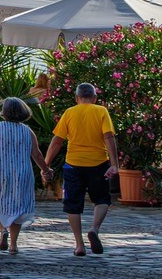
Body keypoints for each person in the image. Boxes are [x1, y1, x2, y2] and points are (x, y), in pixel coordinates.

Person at [45, 81, 123, 256]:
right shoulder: (101, 111)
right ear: (94, 97)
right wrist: (114, 164)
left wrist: (46, 163)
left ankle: (79, 245)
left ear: (76, 98)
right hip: (98, 163)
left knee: (73, 204)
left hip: (73, 164)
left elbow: (57, 140)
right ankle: (94, 229)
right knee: (102, 199)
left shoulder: (69, 112)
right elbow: (109, 137)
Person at [0, 97, 49, 254]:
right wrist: (45, 170)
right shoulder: (27, 131)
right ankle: (14, 244)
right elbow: (37, 154)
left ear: (4, 112)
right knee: (17, 208)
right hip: (21, 174)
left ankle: (2, 229)